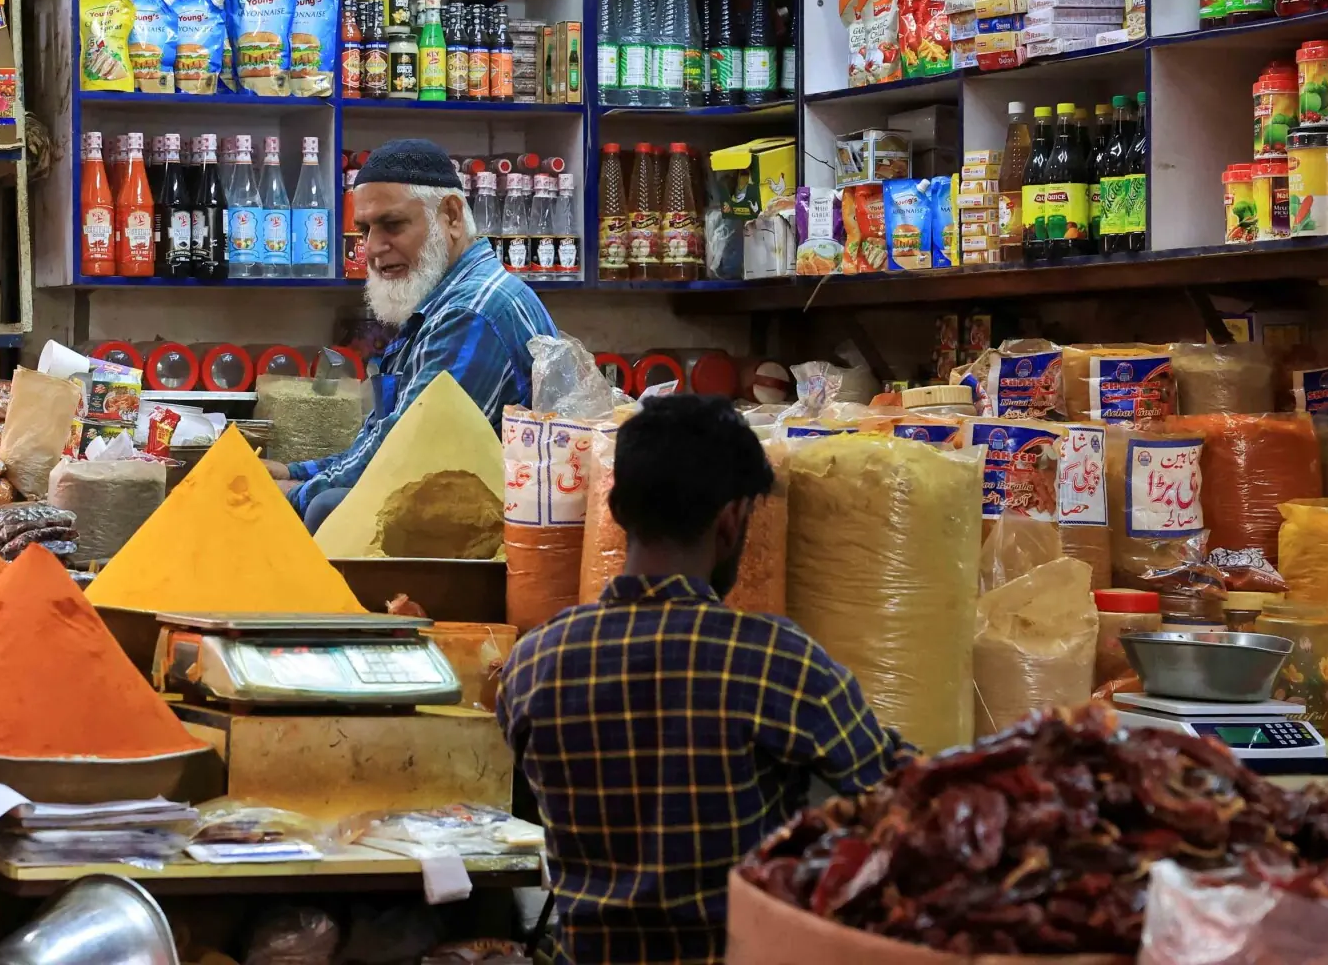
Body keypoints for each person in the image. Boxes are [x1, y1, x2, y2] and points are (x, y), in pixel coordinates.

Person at [496, 395, 911, 964]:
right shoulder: (779, 662)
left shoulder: (533, 663)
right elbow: (903, 793)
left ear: (615, 508)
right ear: (732, 520)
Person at [269, 139, 555, 531]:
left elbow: (404, 459)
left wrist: (292, 493)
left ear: (451, 217)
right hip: (449, 512)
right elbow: (385, 439)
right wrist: (291, 469)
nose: (372, 247)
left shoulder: (470, 314)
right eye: (365, 229)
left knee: (326, 509)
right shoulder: (444, 302)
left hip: (490, 537)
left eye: (392, 225)